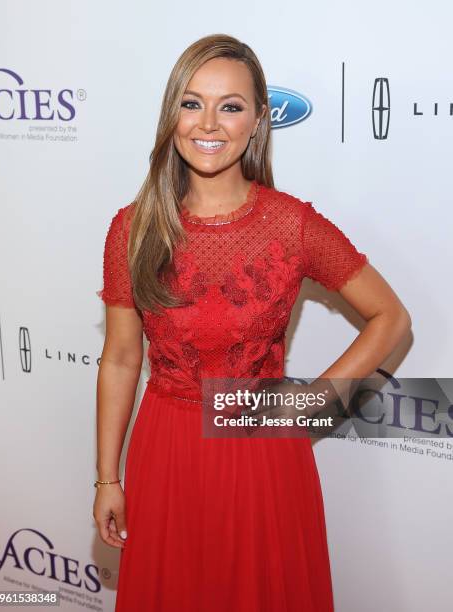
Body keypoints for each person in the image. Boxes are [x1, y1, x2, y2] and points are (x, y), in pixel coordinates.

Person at [93, 33, 411, 612]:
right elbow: (120, 357)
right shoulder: (132, 228)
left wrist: (309, 403)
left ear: (259, 119)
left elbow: (390, 317)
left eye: (231, 105)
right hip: (166, 448)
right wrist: (107, 477)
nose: (208, 123)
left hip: (262, 444)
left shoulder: (291, 225)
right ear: (172, 113)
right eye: (192, 103)